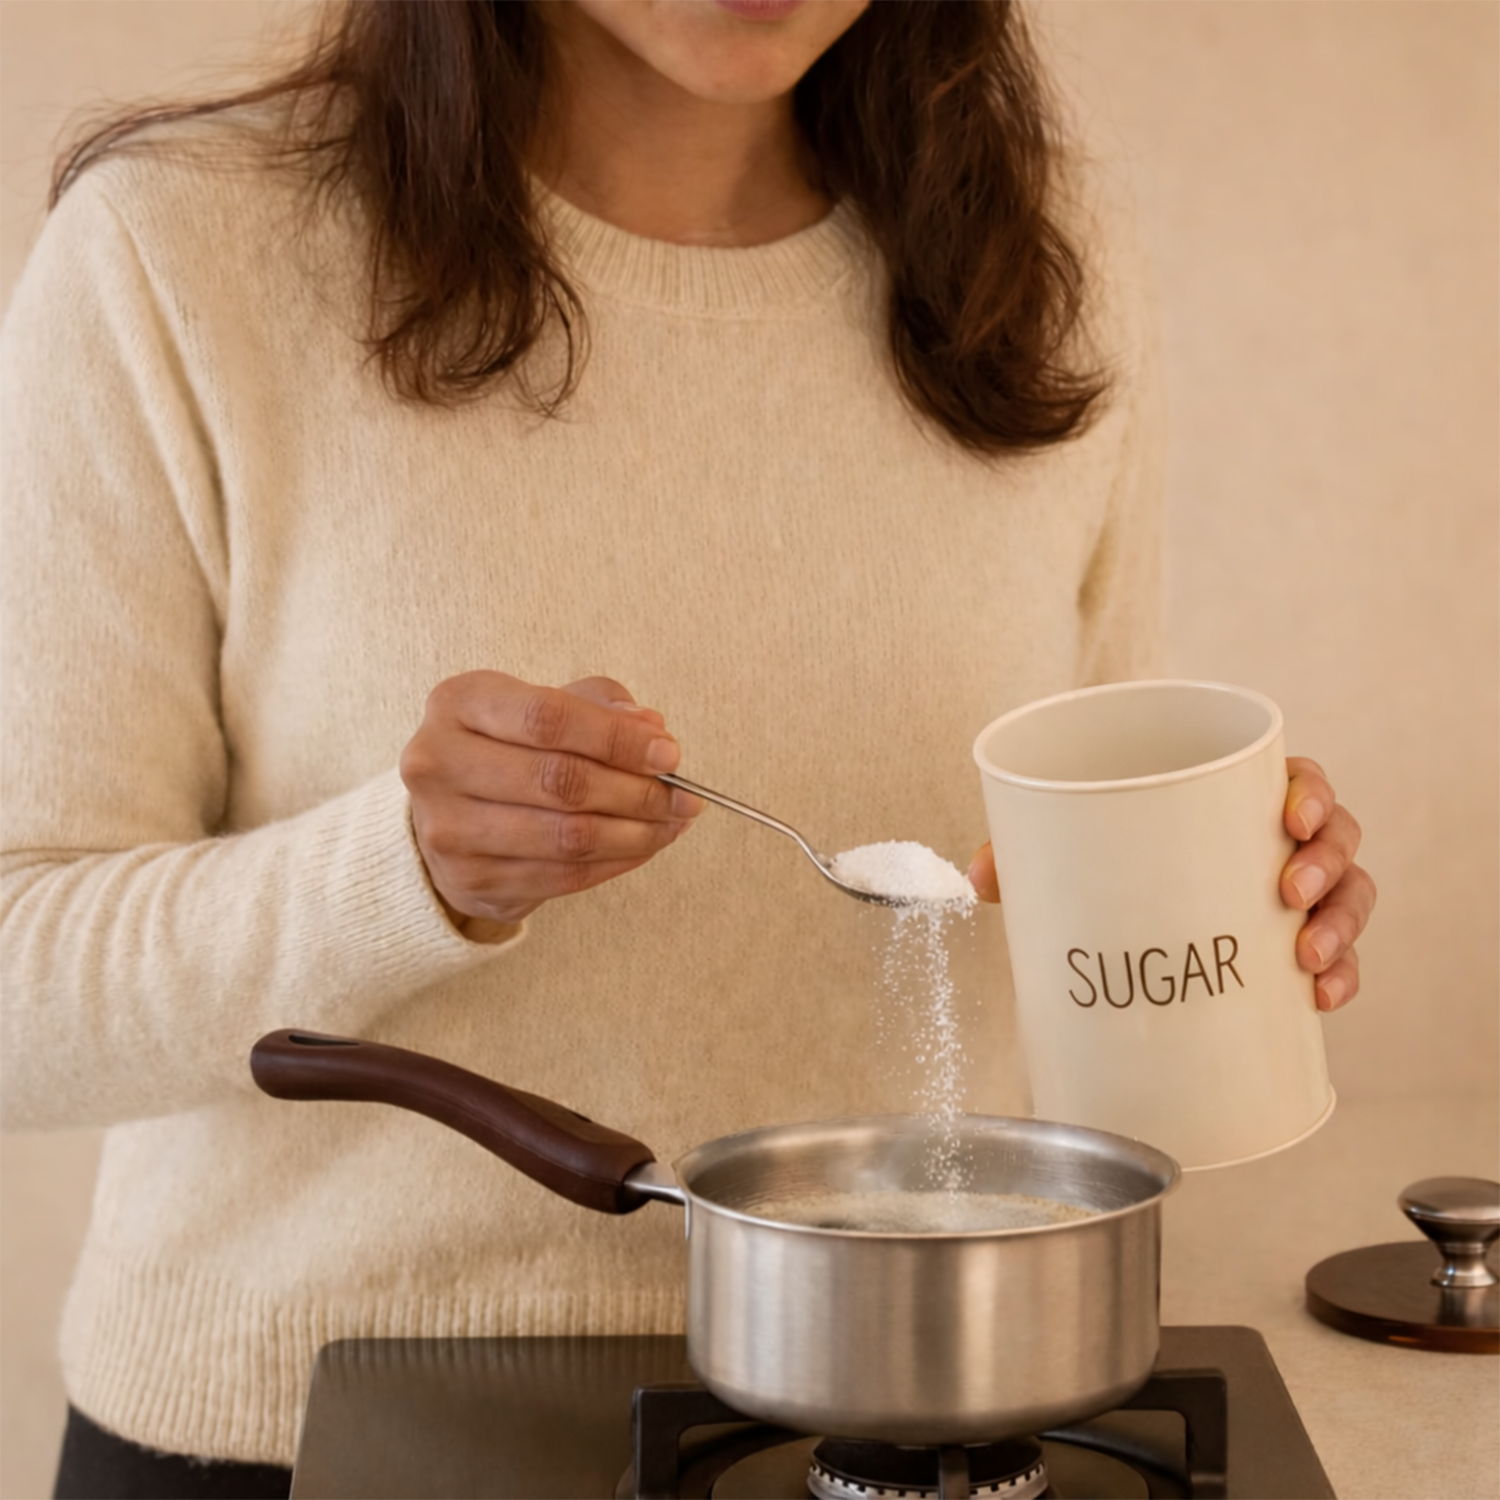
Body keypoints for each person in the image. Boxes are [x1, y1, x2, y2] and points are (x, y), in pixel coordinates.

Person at [0, 3, 1375, 1495]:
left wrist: (1222, 907)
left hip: (921, 1417)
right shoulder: (181, 251)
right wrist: (403, 875)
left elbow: (1073, 874)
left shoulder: (1034, 247)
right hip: (303, 1432)